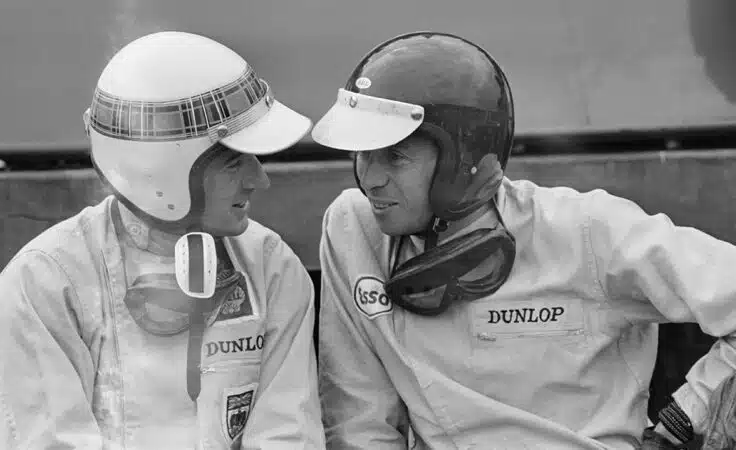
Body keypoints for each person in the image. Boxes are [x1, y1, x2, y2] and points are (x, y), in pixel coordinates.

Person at [312, 31, 736, 449]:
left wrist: (684, 419)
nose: (370, 179)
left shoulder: (587, 230)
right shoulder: (354, 230)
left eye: (395, 157)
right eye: (362, 153)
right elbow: (359, 423)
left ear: (465, 157)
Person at [0, 31, 324, 449]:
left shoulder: (272, 266)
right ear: (164, 171)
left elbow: (288, 436)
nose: (260, 180)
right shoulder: (43, 284)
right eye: (236, 163)